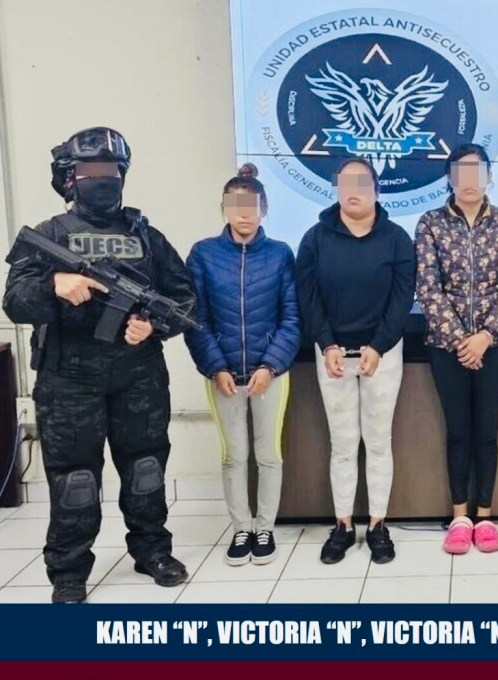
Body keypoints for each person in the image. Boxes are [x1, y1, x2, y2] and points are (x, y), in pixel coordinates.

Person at [2, 127, 196, 603]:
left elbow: (184, 300)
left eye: (111, 170)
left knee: (146, 467)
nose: (103, 179)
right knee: (76, 478)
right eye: (91, 171)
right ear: (70, 178)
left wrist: (153, 326)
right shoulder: (49, 236)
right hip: (68, 377)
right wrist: (53, 286)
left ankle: (152, 551)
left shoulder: (146, 236)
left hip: (138, 373)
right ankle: (68, 572)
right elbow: (15, 301)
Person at [296, 158, 415, 565]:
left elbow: (401, 299)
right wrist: (326, 343)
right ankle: (343, 525)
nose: (354, 190)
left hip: (382, 353)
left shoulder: (397, 239)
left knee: (378, 442)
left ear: (376, 191)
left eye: (363, 183)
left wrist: (378, 346)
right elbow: (308, 297)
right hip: (333, 354)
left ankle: (378, 525)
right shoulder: (315, 239)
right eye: (346, 183)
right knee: (343, 444)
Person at [184, 164, 300, 567]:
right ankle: (240, 528)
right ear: (224, 209)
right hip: (223, 375)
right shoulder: (203, 254)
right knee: (234, 456)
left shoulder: (281, 254)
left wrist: (271, 365)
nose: (244, 213)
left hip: (271, 375)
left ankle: (264, 528)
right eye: (235, 205)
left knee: (268, 455)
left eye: (251, 205)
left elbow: (291, 318)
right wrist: (215, 366)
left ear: (263, 208)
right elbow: (195, 318)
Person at [415, 143, 498, 555]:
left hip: (496, 346)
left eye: (477, 172)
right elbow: (428, 288)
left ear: (489, 177)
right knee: (458, 431)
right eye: (461, 172)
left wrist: (485, 336)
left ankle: (485, 516)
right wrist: (462, 340)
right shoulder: (430, 224)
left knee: (487, 431)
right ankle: (460, 516)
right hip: (447, 347)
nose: (469, 181)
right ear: (450, 178)